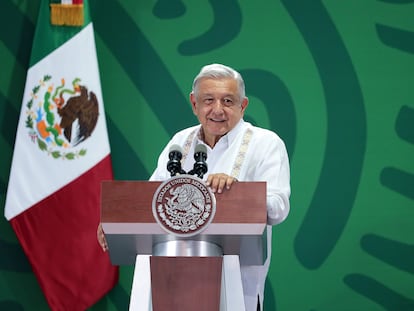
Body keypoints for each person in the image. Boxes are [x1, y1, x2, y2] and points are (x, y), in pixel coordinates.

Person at [98, 63, 290, 311]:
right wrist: (118, 218)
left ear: (243, 106)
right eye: (208, 100)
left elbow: (278, 208)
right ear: (194, 104)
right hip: (171, 279)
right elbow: (151, 198)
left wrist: (237, 193)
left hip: (236, 281)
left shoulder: (266, 143)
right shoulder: (180, 141)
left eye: (228, 101)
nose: (218, 110)